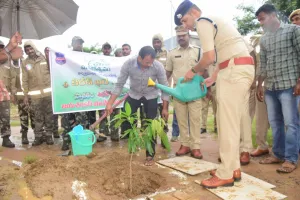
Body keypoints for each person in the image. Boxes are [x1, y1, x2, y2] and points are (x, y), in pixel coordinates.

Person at [174, 0, 255, 188]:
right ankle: (232, 167)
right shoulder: (212, 22)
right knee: (230, 121)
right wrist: (214, 77)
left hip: (235, 71)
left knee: (226, 123)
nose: (186, 26)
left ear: (193, 12)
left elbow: (208, 57)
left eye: (185, 21)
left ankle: (225, 173)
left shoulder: (202, 21)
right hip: (235, 69)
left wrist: (193, 71)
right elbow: (223, 54)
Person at [105, 46, 169, 166]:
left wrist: (165, 108)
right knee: (128, 122)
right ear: (139, 58)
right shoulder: (128, 64)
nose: (150, 65)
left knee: (150, 125)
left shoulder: (158, 66)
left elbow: (164, 87)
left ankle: (150, 155)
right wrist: (109, 103)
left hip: (151, 96)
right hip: (134, 94)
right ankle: (132, 146)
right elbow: (119, 84)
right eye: (147, 62)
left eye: (151, 62)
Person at [256, 4, 300, 173]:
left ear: (273, 15)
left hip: (289, 85)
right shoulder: (264, 38)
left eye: (263, 18)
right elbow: (263, 63)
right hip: (271, 87)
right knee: (275, 123)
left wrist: (299, 82)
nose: (261, 22)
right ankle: (278, 154)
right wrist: (260, 84)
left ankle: (290, 158)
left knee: (291, 124)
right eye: (259, 20)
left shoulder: (293, 31)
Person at [166, 25, 203, 158]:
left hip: (194, 91)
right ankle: (185, 145)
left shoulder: (198, 51)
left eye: (183, 35)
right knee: (181, 119)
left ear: (188, 34)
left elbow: (203, 70)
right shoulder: (171, 53)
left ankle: (196, 147)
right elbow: (168, 73)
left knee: (195, 119)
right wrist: (168, 90)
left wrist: (205, 87)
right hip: (179, 91)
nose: (181, 38)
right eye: (179, 36)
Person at [22, 41, 54, 146]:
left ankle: (49, 136)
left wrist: (49, 56)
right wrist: (25, 95)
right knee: (37, 117)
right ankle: (38, 137)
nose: (29, 51)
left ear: (34, 48)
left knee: (49, 116)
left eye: (30, 48)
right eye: (27, 50)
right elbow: (25, 79)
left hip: (48, 94)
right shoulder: (25, 63)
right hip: (35, 96)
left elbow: (53, 71)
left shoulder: (45, 58)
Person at [0, 34, 23, 148]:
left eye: (1, 47)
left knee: (5, 117)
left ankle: (6, 138)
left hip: (3, 95)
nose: (0, 49)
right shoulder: (4, 57)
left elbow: (13, 77)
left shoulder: (8, 63)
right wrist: (9, 49)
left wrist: (13, 93)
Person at [249, 34, 270, 157]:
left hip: (281, 83)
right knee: (261, 117)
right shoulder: (257, 40)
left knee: (285, 119)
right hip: (260, 84)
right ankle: (262, 145)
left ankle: (287, 148)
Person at [152, 34, 172, 140]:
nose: (156, 44)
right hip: (153, 88)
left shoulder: (168, 53)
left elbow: (169, 70)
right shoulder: (150, 54)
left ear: (161, 42)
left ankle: (164, 131)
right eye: (154, 42)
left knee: (164, 110)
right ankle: (154, 132)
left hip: (164, 87)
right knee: (154, 111)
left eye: (158, 42)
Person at [44, 47, 60, 139]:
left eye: (49, 51)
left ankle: (56, 131)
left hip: (57, 92)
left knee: (57, 113)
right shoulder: (42, 62)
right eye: (46, 51)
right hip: (47, 93)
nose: (47, 53)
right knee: (50, 115)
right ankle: (51, 132)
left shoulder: (55, 62)